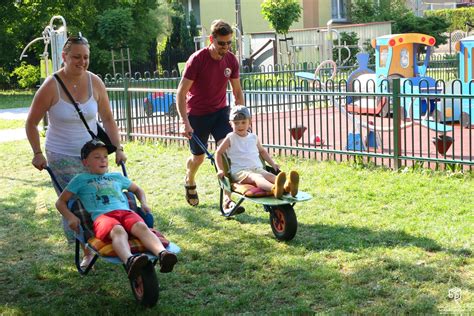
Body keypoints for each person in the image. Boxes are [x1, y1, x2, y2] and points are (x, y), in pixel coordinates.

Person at [25, 33, 126, 268]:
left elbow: (109, 119)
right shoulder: (51, 86)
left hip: (92, 154)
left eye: (86, 57)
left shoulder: (95, 82)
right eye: (76, 57)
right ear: (64, 56)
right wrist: (37, 153)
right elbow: (31, 123)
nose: (82, 62)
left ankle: (108, 237)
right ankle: (86, 248)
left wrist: (118, 148)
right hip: (61, 155)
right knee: (75, 201)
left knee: (100, 196)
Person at [55, 140, 177, 277]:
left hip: (126, 213)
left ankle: (163, 254)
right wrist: (71, 217)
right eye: (97, 157)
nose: (103, 160)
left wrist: (143, 203)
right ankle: (130, 260)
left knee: (142, 227)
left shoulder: (116, 177)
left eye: (105, 157)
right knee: (118, 230)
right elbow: (60, 202)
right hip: (103, 217)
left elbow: (138, 190)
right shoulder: (80, 179)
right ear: (85, 162)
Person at [176, 19, 245, 213]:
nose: (225, 47)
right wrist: (185, 122)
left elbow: (237, 92)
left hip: (220, 113)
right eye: (221, 43)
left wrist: (242, 116)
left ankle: (227, 202)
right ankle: (189, 180)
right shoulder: (197, 60)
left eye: (229, 43)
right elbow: (181, 93)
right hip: (197, 115)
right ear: (211, 39)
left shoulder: (231, 60)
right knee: (197, 158)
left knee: (224, 154)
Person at [215, 105, 300, 199]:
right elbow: (218, 153)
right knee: (257, 177)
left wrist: (273, 164)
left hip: (256, 168)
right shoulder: (231, 137)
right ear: (231, 124)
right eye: (236, 123)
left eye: (243, 122)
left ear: (249, 122)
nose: (240, 125)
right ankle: (274, 189)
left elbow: (262, 152)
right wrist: (220, 169)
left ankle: (288, 186)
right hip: (240, 172)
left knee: (269, 175)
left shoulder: (253, 137)